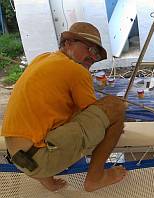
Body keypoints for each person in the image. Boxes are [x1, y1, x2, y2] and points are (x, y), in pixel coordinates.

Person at [1, 22, 127, 192]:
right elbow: (96, 117)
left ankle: (47, 179)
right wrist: (114, 125)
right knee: (116, 107)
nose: (93, 57)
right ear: (68, 44)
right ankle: (96, 177)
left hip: (19, 158)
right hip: (40, 155)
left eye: (97, 53)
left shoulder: (42, 59)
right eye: (90, 49)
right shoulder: (76, 70)